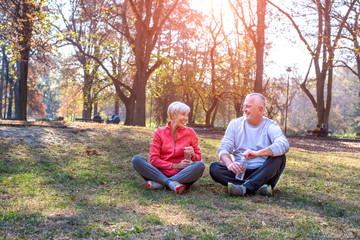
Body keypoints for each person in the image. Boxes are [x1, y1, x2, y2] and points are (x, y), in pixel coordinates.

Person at [209, 93, 290, 197]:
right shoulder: (235, 124)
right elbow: (223, 148)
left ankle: (244, 189)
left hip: (263, 172)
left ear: (260, 110)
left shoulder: (270, 125)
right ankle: (258, 188)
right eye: (244, 106)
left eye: (248, 106)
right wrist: (230, 164)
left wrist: (257, 154)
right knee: (215, 168)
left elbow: (283, 144)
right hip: (240, 172)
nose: (244, 110)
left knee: (280, 158)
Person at [132, 101, 205, 194]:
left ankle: (160, 184)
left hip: (181, 174)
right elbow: (154, 160)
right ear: (173, 115)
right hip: (158, 173)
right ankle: (171, 184)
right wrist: (176, 165)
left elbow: (198, 159)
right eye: (183, 114)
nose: (186, 118)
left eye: (187, 115)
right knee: (137, 160)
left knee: (200, 166)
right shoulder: (159, 132)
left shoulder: (190, 133)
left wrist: (192, 155)